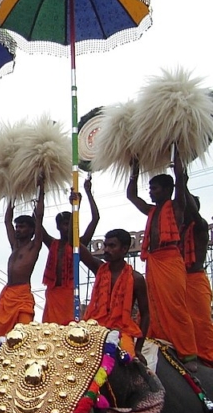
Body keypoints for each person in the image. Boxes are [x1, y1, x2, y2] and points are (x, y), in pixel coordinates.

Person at [127, 156, 199, 370]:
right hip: (154, 261)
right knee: (152, 304)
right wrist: (134, 168)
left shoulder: (177, 206)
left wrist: (178, 159)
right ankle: (154, 339)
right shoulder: (151, 210)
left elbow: (179, 178)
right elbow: (131, 195)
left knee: (176, 305)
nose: (151, 192)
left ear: (168, 189)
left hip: (170, 259)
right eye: (150, 189)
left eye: (155, 188)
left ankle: (188, 353)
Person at [79, 229, 149, 358]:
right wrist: (94, 217)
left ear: (124, 249)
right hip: (95, 328)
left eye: (112, 246)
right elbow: (75, 244)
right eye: (105, 245)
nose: (106, 250)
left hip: (122, 332)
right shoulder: (99, 268)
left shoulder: (137, 279)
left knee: (128, 362)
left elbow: (146, 314)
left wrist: (138, 348)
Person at [41, 177, 100, 325]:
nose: (66, 227)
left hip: (69, 294)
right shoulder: (52, 243)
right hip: (53, 293)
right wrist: (40, 191)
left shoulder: (79, 243)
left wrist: (84, 198)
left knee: (69, 330)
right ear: (58, 226)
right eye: (63, 224)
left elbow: (95, 219)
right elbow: (38, 225)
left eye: (69, 223)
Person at [0, 172, 45, 338]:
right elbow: (7, 221)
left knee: (23, 335)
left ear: (31, 230)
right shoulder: (14, 246)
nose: (18, 229)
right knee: (5, 339)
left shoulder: (34, 246)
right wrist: (11, 193)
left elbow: (39, 217)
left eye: (22, 227)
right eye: (18, 227)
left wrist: (41, 188)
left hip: (23, 295)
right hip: (8, 295)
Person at [181, 187, 213, 366]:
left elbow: (192, 211)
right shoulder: (175, 231)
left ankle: (208, 359)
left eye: (185, 206)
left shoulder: (200, 227)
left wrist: (182, 183)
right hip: (178, 282)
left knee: (200, 323)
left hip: (195, 281)